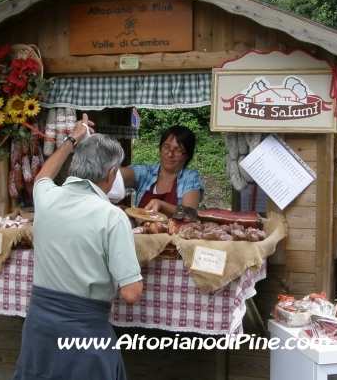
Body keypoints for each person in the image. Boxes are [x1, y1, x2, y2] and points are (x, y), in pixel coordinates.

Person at [13, 114, 143, 380]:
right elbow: (131, 293)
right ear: (111, 174)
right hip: (83, 335)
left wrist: (73, 137)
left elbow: (44, 174)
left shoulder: (46, 197)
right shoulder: (112, 216)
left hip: (39, 329)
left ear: (76, 164)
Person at [120, 125, 204, 217]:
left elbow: (190, 214)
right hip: (140, 231)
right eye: (166, 147)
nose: (170, 154)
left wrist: (162, 206)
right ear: (160, 148)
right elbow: (113, 174)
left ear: (188, 154)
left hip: (176, 231)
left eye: (178, 150)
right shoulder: (145, 173)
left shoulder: (190, 178)